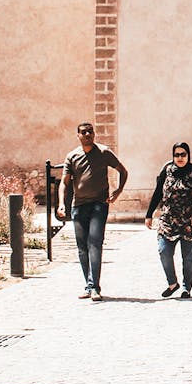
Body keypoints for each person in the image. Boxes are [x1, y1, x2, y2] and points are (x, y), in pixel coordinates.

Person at [58, 122, 128, 301]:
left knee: (95, 243)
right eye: (83, 132)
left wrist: (118, 191)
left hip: (99, 204)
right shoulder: (72, 156)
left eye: (90, 132)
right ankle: (88, 286)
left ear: (94, 134)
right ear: (78, 135)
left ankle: (95, 286)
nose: (87, 134)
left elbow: (123, 170)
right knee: (82, 247)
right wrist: (61, 204)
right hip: (79, 206)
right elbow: (64, 182)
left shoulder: (104, 152)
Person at [145, 142, 192, 297]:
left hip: (190, 221)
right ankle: (172, 283)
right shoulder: (167, 171)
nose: (180, 158)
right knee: (164, 251)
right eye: (177, 155)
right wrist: (149, 214)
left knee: (188, 257)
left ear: (188, 155)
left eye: (183, 154)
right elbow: (158, 192)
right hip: (168, 220)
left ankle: (187, 287)